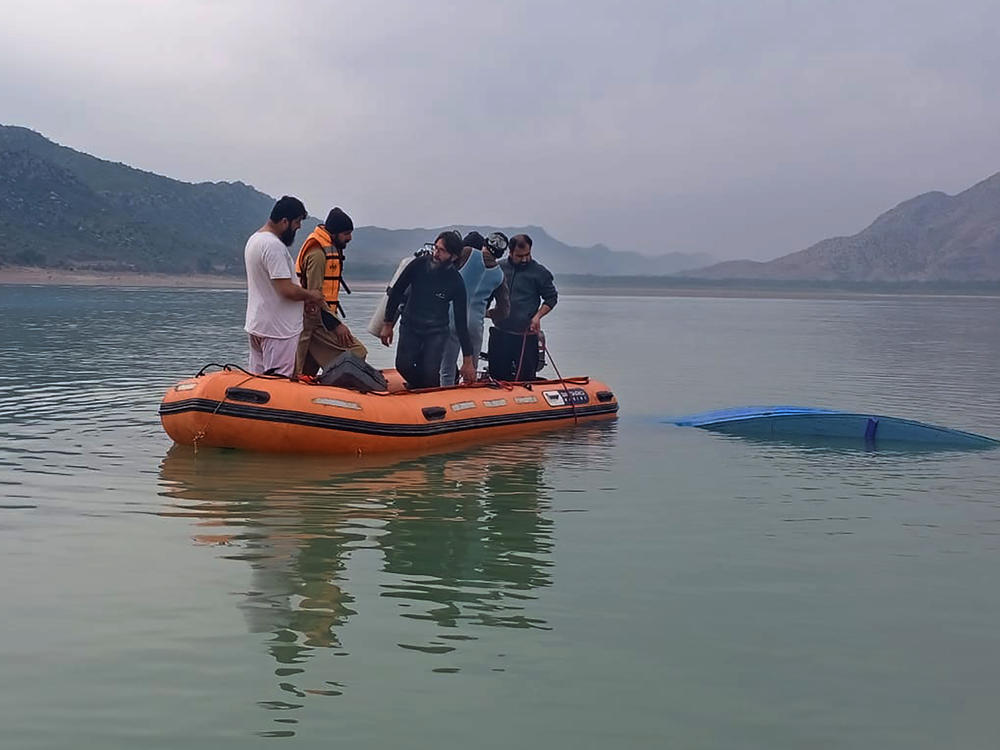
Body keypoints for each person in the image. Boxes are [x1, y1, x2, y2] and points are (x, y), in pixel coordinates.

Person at [379, 231, 476, 388]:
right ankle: (422, 390)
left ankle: (429, 394)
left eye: (441, 251)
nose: (435, 253)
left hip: (436, 331)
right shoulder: (419, 265)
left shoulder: (456, 282)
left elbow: (460, 322)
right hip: (410, 325)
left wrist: (467, 359)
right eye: (435, 248)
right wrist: (388, 323)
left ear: (453, 257)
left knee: (430, 373)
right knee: (403, 366)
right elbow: (396, 291)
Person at [244, 196, 324, 377]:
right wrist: (312, 295)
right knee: (277, 382)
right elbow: (285, 289)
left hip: (258, 324)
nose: (298, 227)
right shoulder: (273, 246)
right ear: (284, 221)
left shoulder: (254, 240)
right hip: (278, 330)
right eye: (297, 222)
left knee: (257, 381)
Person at [293, 206, 367, 376]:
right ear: (334, 233)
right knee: (358, 352)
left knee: (308, 368)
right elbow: (314, 295)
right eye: (346, 233)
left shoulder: (328, 248)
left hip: (321, 318)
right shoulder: (318, 254)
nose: (349, 238)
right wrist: (336, 325)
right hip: (314, 320)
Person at [438, 230, 511, 386]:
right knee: (472, 370)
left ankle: (445, 399)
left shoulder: (468, 252)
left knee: (446, 369)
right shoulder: (500, 275)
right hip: (475, 324)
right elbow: (504, 311)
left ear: (485, 243)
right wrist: (486, 313)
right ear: (501, 253)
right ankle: (469, 403)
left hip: (452, 318)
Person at [487, 233, 557, 381]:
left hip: (525, 337)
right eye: (520, 256)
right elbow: (487, 294)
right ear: (510, 253)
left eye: (528, 254)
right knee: (497, 378)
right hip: (500, 334)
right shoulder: (498, 268)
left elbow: (551, 298)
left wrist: (537, 317)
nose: (524, 259)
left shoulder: (540, 273)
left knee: (526, 380)